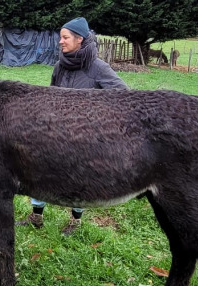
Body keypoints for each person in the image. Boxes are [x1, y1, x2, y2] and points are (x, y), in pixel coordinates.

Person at [17, 17, 129, 236]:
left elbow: (124, 95)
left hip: (84, 137)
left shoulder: (98, 68)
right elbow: (51, 93)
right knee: (39, 170)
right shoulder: (61, 65)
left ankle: (75, 221)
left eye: (65, 37)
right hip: (55, 133)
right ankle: (36, 215)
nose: (60, 42)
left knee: (79, 176)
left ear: (79, 40)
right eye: (61, 37)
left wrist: (96, 116)